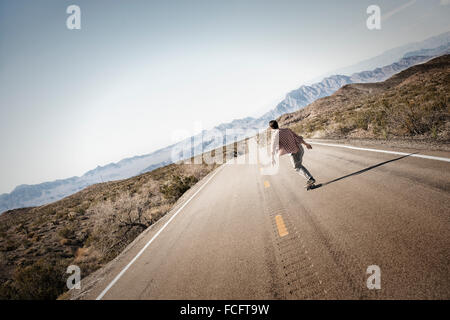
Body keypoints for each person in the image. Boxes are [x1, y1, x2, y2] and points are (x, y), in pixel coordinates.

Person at [269, 120, 316, 187]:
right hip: (300, 149)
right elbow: (297, 137)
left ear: (271, 128)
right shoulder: (287, 130)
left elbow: (272, 148)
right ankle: (310, 179)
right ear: (277, 124)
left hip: (294, 153)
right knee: (299, 165)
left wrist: (272, 158)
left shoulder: (275, 135)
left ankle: (310, 179)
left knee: (297, 167)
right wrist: (306, 144)